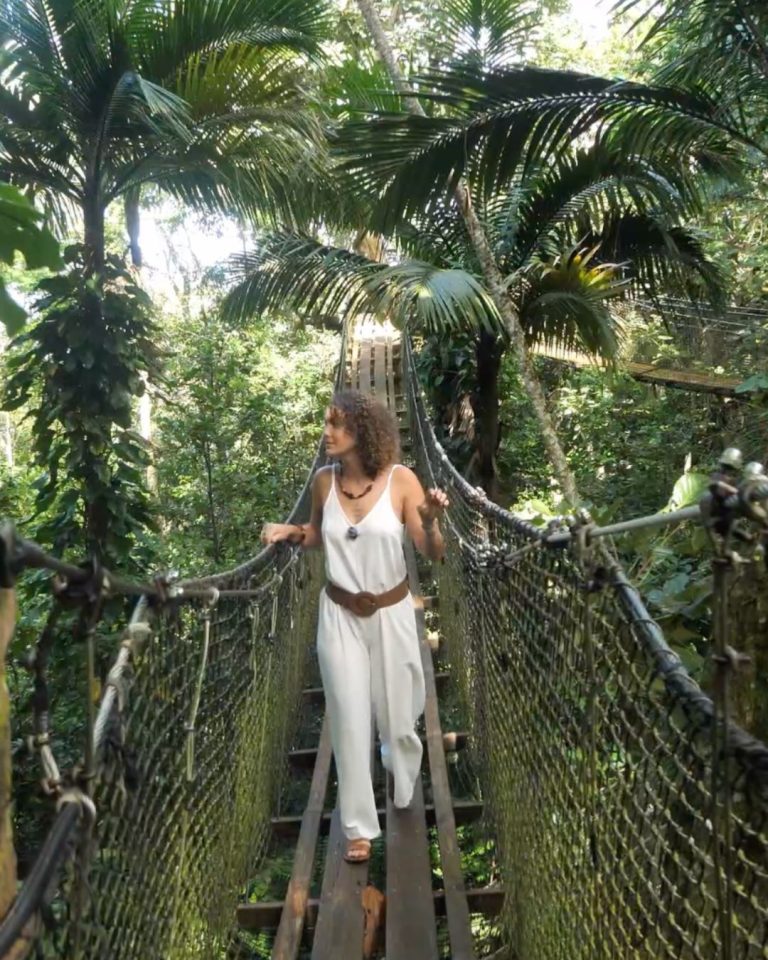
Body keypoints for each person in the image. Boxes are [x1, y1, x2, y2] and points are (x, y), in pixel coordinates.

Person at [261, 389, 448, 863]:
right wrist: (290, 533)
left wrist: (428, 520)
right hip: (339, 614)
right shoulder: (325, 482)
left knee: (400, 720)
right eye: (327, 422)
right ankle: (359, 826)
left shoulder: (401, 481)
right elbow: (318, 534)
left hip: (393, 614)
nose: (327, 432)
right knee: (347, 716)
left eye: (336, 424)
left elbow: (434, 551)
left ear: (361, 431)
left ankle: (402, 774)